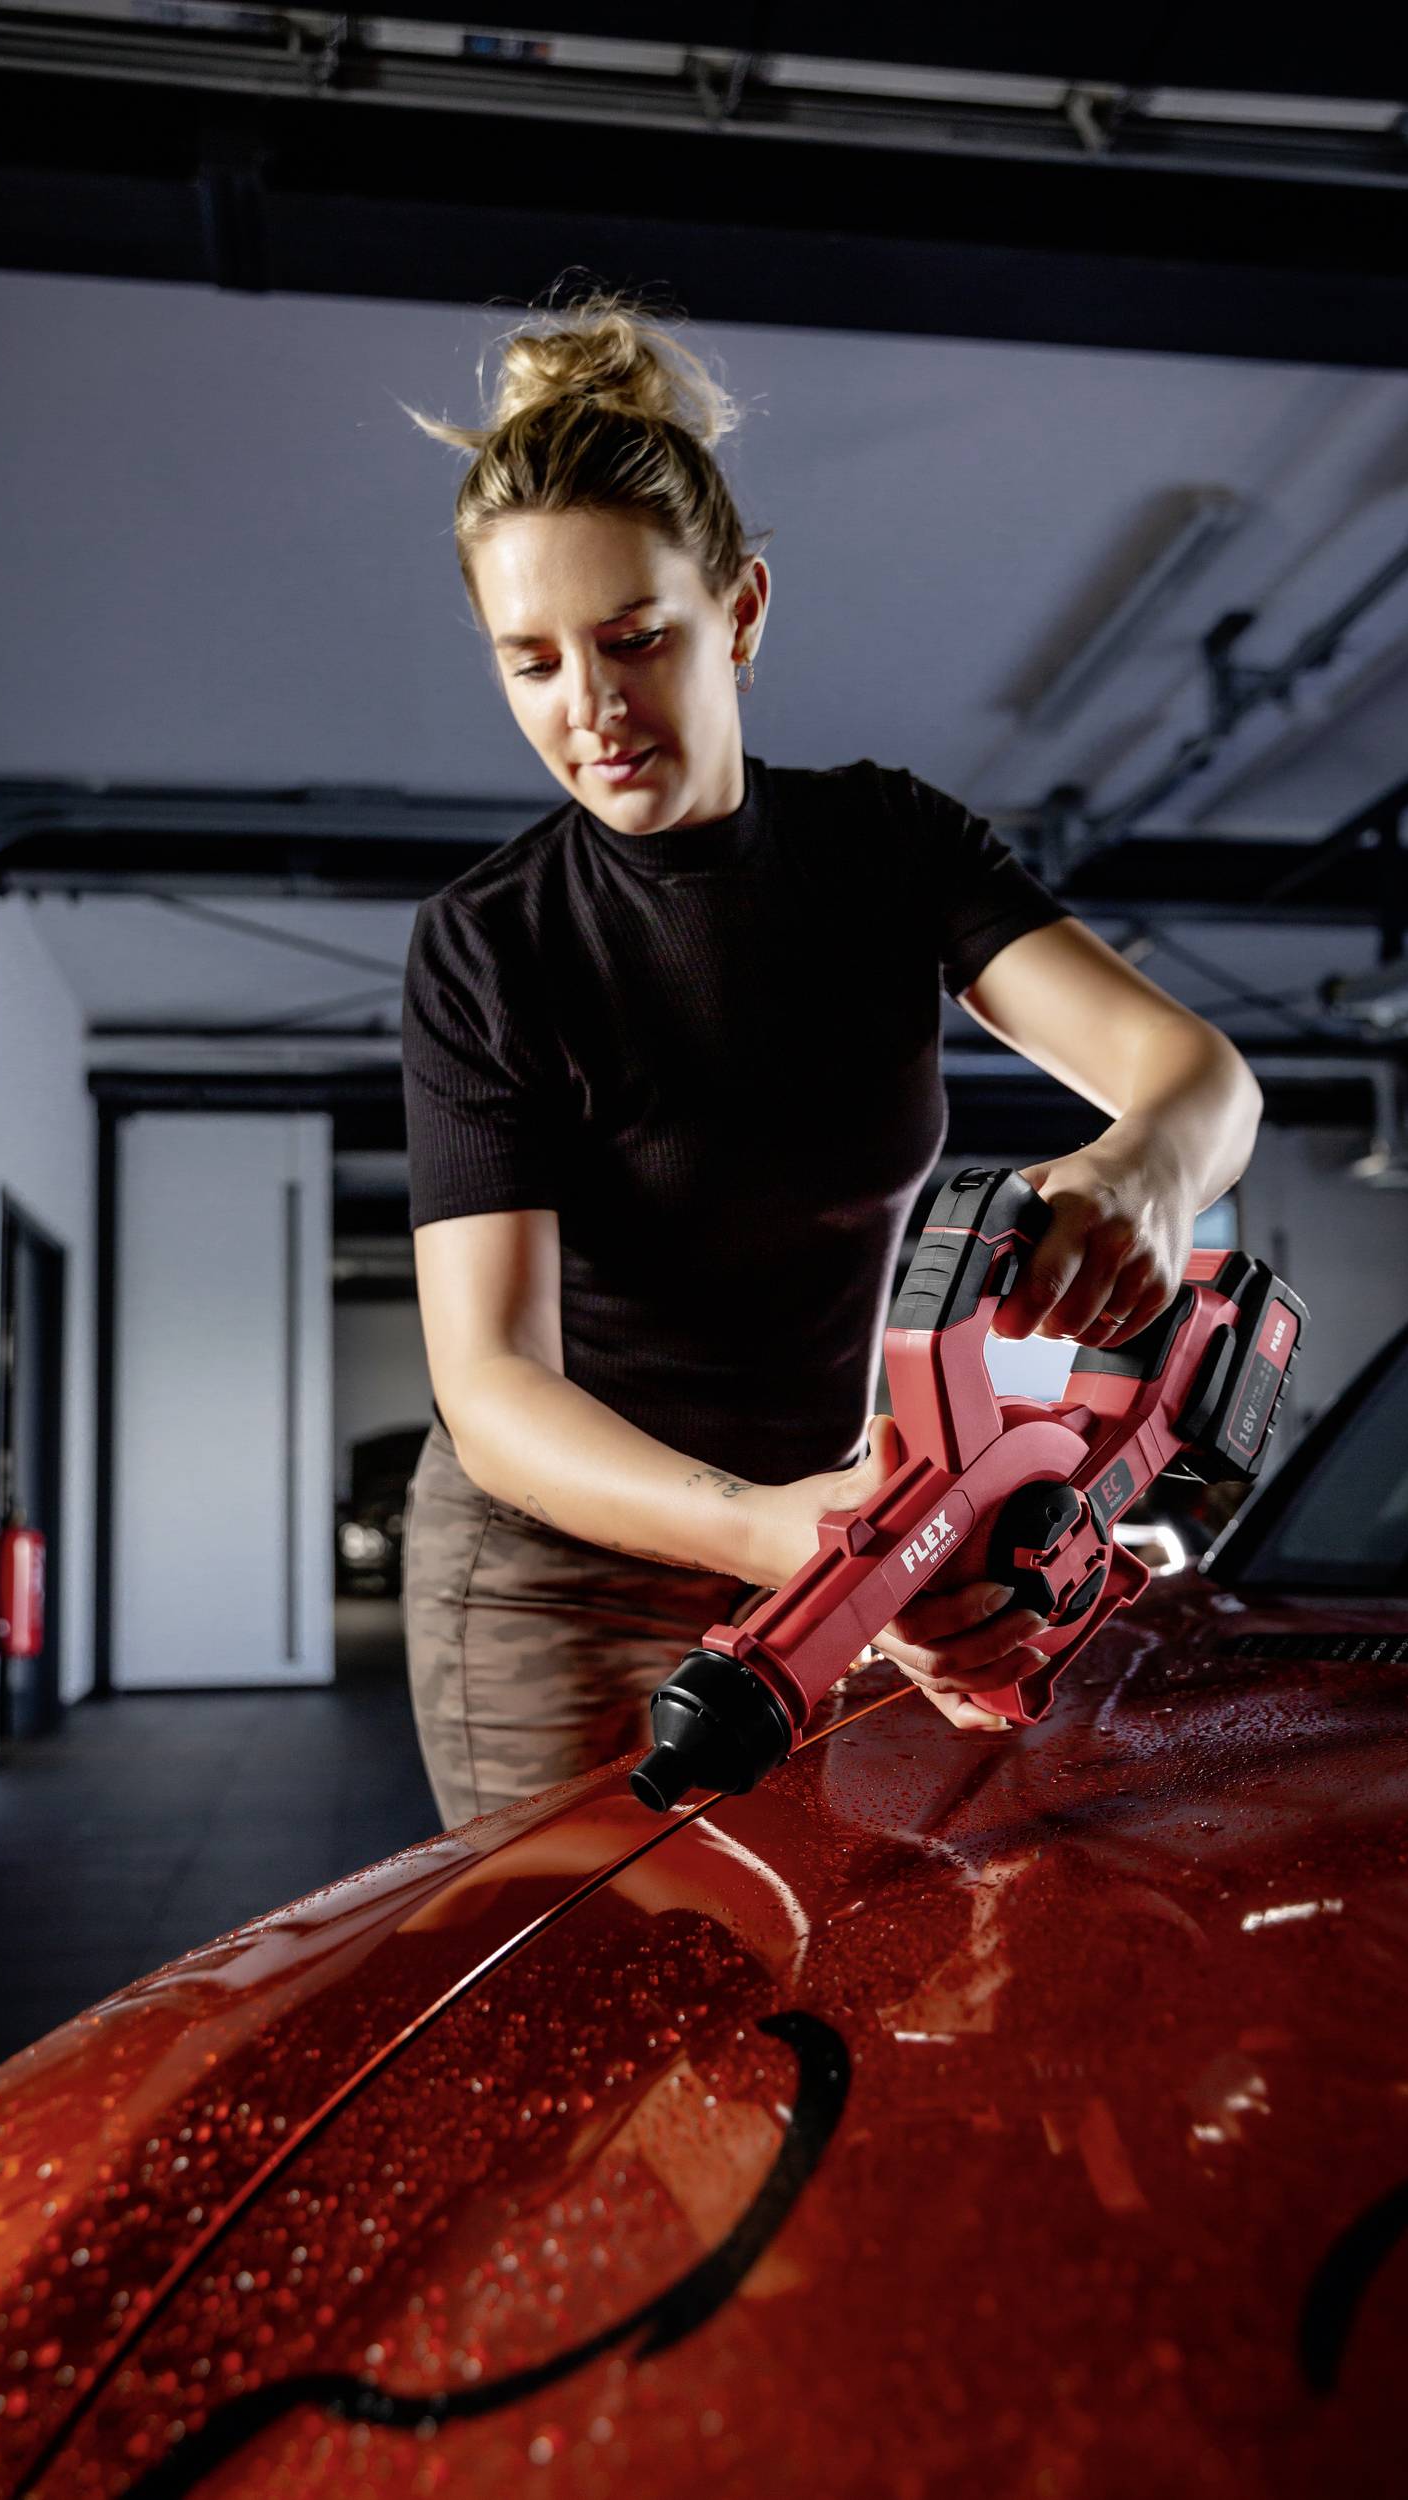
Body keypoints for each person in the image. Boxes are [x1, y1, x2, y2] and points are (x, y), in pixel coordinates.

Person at [398, 286, 1262, 1832]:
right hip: (560, 1564)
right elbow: (493, 1383)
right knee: (600, 2009)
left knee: (822, 1949)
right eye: (531, 663)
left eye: (634, 639)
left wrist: (1143, 1168)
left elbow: (1199, 1077)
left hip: (831, 1514)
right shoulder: (490, 945)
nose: (590, 712)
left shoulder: (886, 845)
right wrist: (781, 1531)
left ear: (740, 611)